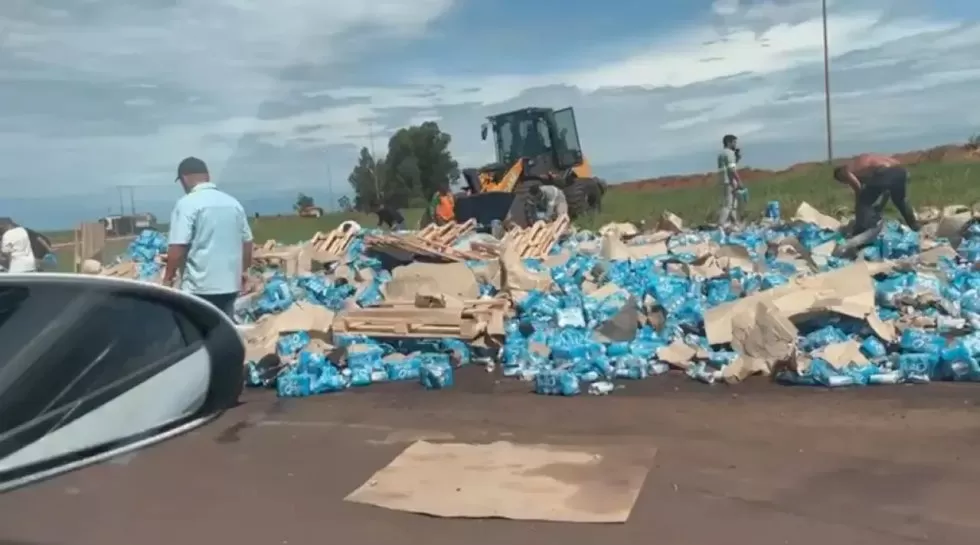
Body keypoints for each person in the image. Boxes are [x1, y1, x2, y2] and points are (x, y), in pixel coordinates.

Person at [163, 157, 253, 318]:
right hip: (230, 288)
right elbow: (247, 242)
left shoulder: (187, 204)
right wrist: (243, 272)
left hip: (199, 289)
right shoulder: (233, 203)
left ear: (184, 179)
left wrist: (168, 280)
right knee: (222, 327)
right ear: (207, 176)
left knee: (195, 330)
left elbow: (178, 247)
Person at [833, 153, 919, 234]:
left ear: (840, 176)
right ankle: (915, 226)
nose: (846, 183)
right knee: (899, 201)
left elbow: (857, 187)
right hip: (900, 170)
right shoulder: (863, 167)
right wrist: (880, 207)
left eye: (843, 181)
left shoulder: (844, 171)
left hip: (884, 172)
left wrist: (859, 207)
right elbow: (886, 191)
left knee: (863, 201)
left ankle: (861, 230)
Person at [717, 134, 743, 226]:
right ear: (729, 142)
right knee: (728, 205)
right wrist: (738, 181)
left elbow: (728, 166)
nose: (735, 144)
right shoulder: (729, 153)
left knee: (733, 204)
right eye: (734, 142)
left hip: (724, 180)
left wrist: (736, 159)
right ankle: (720, 224)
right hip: (729, 180)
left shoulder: (722, 153)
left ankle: (735, 223)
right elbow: (732, 169)